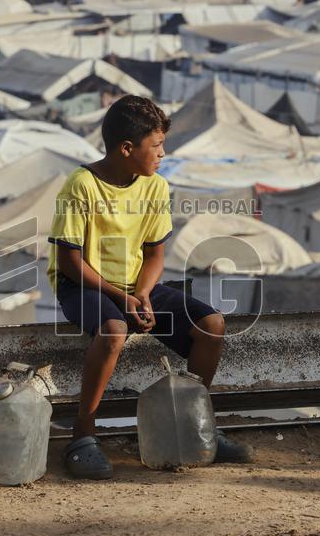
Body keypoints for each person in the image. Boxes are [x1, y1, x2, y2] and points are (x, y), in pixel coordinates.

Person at [48, 95, 254, 480]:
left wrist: (141, 294)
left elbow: (155, 255)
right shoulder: (82, 185)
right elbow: (69, 263)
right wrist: (121, 298)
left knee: (212, 326)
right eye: (156, 146)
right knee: (114, 331)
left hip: (135, 284)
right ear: (127, 149)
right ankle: (83, 437)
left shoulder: (156, 186)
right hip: (82, 285)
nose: (163, 153)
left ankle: (196, 426)